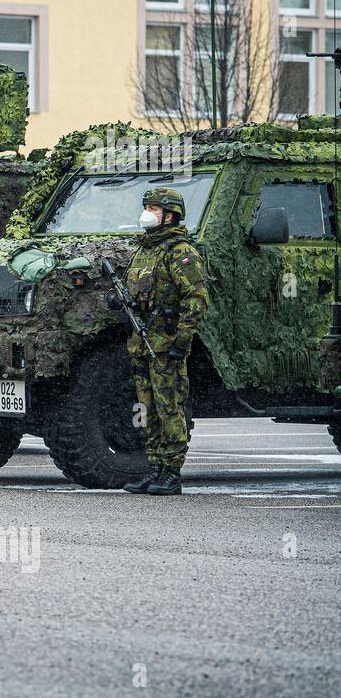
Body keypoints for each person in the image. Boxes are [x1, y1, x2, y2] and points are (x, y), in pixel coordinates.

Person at [122, 187, 209, 496]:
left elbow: (196, 299)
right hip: (142, 344)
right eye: (146, 207)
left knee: (169, 407)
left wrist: (181, 341)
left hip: (166, 345)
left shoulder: (180, 251)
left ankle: (171, 471)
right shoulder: (143, 250)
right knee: (147, 408)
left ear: (170, 216)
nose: (147, 213)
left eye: (154, 209)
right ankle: (155, 467)